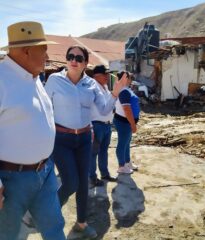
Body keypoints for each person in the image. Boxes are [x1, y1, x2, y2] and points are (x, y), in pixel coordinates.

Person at [44, 45, 127, 239]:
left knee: (83, 184)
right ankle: (47, 213)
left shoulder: (91, 84)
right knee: (71, 182)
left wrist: (115, 92)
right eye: (70, 56)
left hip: (83, 138)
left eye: (79, 58)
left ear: (85, 63)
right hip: (61, 139)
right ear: (66, 60)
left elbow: (105, 109)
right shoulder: (54, 80)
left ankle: (81, 223)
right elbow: (45, 108)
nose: (74, 60)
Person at [0, 21, 66, 240]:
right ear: (26, 51)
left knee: (55, 227)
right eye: (43, 49)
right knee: (6, 234)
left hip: (45, 171)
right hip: (10, 180)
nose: (47, 55)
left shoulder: (34, 76)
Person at [89, 65, 118, 187]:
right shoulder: (93, 87)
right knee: (93, 153)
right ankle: (92, 177)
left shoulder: (105, 87)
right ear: (97, 76)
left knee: (103, 151)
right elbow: (102, 110)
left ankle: (104, 174)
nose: (107, 77)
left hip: (106, 125)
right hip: (97, 125)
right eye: (104, 74)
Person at [114, 71, 140, 174]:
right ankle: (121, 166)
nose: (131, 79)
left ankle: (127, 162)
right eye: (129, 77)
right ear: (125, 78)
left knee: (126, 143)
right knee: (122, 144)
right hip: (123, 122)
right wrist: (133, 124)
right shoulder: (123, 91)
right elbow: (127, 109)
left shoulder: (126, 89)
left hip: (126, 122)